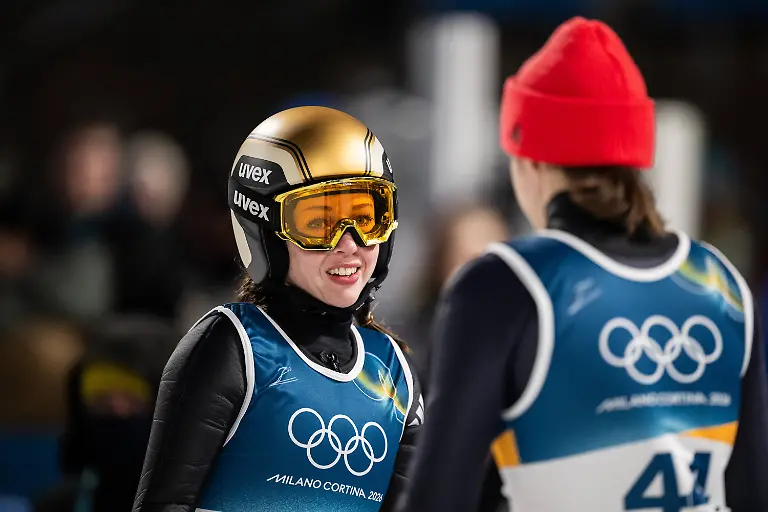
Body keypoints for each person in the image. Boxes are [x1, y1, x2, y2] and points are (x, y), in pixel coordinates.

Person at [398, 16, 768, 512]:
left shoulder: (507, 284)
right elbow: (752, 492)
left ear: (530, 159)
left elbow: (439, 498)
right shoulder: (721, 284)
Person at [132, 106, 423, 512]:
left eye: (366, 218)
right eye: (319, 223)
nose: (349, 244)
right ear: (266, 231)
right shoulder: (234, 346)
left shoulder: (392, 373)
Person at [34, 315, 177, 512]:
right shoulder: (58, 505)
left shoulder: (207, 503)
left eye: (133, 398)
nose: (117, 411)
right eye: (100, 398)